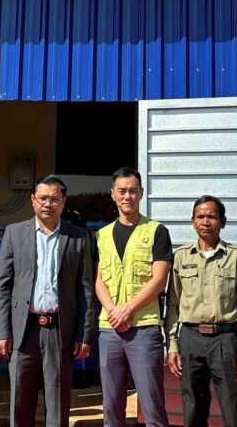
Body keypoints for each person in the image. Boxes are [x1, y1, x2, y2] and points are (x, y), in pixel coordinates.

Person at [0, 175, 95, 427]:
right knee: (20, 399)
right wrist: (1, 332)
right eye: (43, 198)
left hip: (60, 329)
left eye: (54, 199)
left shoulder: (79, 237)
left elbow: (86, 291)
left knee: (58, 401)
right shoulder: (15, 233)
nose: (48, 204)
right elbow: (3, 286)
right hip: (22, 329)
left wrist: (84, 335)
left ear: (63, 202)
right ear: (32, 201)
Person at [95, 167, 173, 427]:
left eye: (132, 190)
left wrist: (126, 310)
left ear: (141, 193)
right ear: (113, 195)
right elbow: (99, 281)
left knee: (152, 406)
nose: (127, 196)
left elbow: (159, 280)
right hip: (109, 329)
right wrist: (112, 311)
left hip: (144, 327)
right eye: (122, 191)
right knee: (111, 407)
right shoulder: (102, 235)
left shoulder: (156, 231)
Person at [165, 195, 237, 427]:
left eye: (212, 216)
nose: (206, 221)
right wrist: (172, 345)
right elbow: (173, 304)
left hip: (226, 339)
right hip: (190, 339)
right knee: (193, 408)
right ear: (192, 221)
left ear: (223, 222)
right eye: (200, 216)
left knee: (234, 408)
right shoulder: (181, 257)